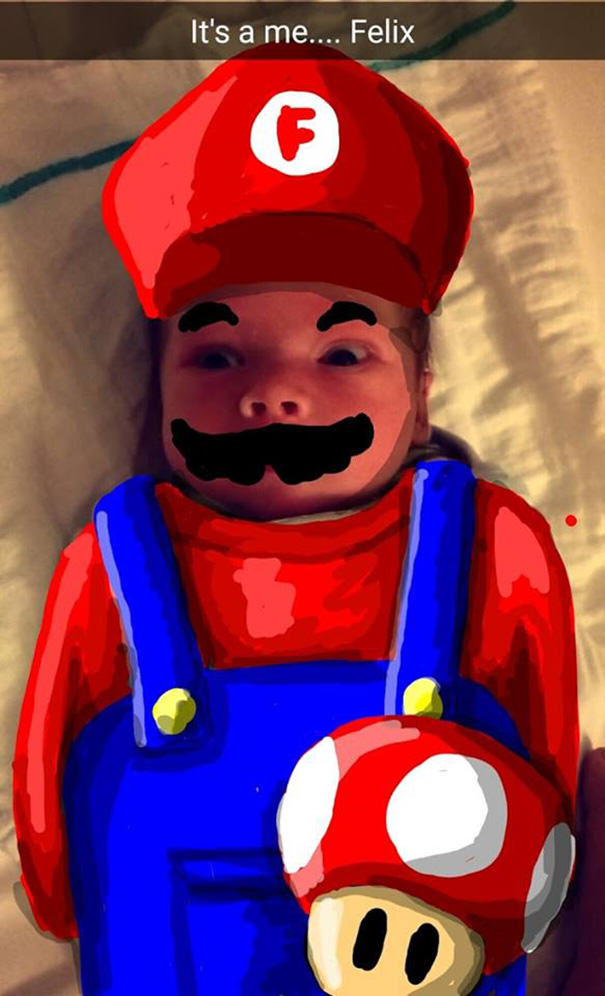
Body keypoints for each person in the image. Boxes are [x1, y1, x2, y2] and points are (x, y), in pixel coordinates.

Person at [12, 42, 579, 995]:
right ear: (154, 389)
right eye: (217, 356)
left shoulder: (494, 544)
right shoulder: (109, 562)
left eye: (342, 353)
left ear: (423, 394)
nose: (275, 392)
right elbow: (46, 824)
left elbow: (550, 805)